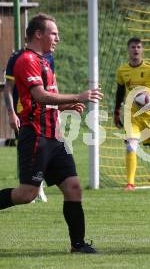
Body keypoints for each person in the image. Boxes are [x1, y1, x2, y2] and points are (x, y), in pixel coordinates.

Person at [0, 13, 102, 253]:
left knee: (74, 187)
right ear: (39, 34)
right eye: (53, 33)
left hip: (55, 137)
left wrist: (66, 106)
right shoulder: (26, 59)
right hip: (36, 135)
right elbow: (39, 96)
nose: (57, 37)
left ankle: (78, 245)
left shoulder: (45, 61)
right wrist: (78, 96)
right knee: (27, 193)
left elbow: (45, 100)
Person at [113, 37, 150, 191]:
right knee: (131, 145)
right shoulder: (122, 70)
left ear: (142, 50)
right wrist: (116, 112)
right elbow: (120, 92)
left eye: (138, 47)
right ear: (128, 49)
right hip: (132, 115)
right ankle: (130, 184)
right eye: (132, 47)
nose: (135, 50)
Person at [4, 51, 56, 203]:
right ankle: (29, 187)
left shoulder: (49, 58)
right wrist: (11, 113)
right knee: (26, 150)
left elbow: (51, 87)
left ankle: (37, 186)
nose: (56, 39)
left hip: (45, 114)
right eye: (53, 34)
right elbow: (8, 87)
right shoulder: (17, 58)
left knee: (43, 150)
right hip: (24, 111)